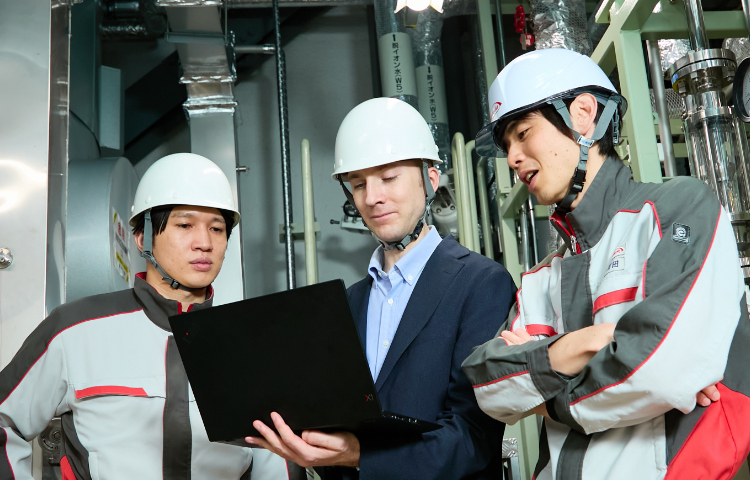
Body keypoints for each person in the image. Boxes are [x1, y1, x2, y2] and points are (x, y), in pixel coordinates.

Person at [462, 48, 750, 479]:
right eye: (507, 146)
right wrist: (596, 339)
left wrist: (544, 396)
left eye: (523, 133)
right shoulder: (541, 277)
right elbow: (488, 384)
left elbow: (660, 372)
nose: (513, 158)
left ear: (582, 114)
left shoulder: (677, 210)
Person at [246, 98, 516, 479]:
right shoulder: (348, 303)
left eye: (389, 178)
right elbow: (340, 436)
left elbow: (472, 438)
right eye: (358, 184)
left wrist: (359, 455)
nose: (372, 198)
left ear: (431, 178)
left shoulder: (481, 283)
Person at [0, 153, 299, 479]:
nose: (204, 243)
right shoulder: (76, 329)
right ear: (143, 237)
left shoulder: (255, 346)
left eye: (217, 228)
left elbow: (279, 459)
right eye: (185, 225)